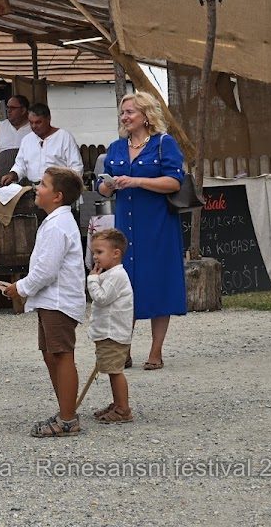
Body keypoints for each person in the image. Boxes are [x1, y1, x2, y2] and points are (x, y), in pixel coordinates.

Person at [98, 92, 186, 370]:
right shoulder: (115, 147)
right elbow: (100, 188)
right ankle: (124, 348)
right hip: (126, 225)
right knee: (125, 286)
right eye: (122, 112)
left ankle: (156, 351)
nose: (124, 117)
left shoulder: (163, 144)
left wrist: (137, 181)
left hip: (158, 224)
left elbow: (174, 182)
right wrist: (108, 185)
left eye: (130, 112)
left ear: (146, 116)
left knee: (159, 282)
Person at [3, 167, 86, 437]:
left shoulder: (58, 225)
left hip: (59, 301)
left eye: (44, 185)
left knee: (62, 356)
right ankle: (65, 410)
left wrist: (21, 287)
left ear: (58, 196)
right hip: (52, 301)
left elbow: (46, 270)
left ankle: (67, 419)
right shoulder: (56, 221)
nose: (37, 188)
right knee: (51, 355)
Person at [87, 228, 135, 423]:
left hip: (113, 334)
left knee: (115, 371)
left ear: (116, 253)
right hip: (107, 332)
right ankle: (117, 403)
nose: (95, 257)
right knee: (110, 369)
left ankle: (123, 409)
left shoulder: (116, 276)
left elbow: (101, 298)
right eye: (93, 253)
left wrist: (91, 280)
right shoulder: (110, 275)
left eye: (99, 252)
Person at [0, 103, 84, 185]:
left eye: (38, 122)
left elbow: (76, 167)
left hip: (60, 189)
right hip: (34, 190)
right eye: (31, 122)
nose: (34, 126)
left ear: (48, 119)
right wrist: (13, 174)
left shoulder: (64, 137)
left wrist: (66, 186)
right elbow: (20, 165)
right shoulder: (27, 140)